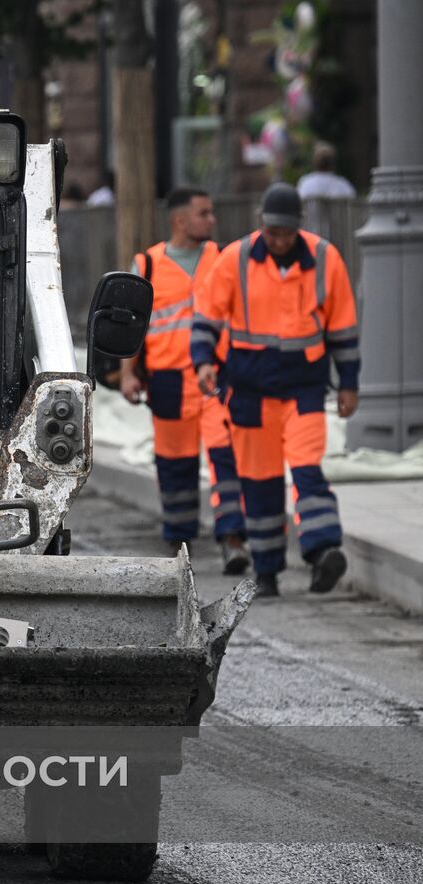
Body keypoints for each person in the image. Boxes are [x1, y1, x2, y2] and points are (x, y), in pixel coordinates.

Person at [190, 183, 359, 598]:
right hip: (249, 392)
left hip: (303, 390)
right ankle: (266, 571)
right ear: (262, 225)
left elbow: (343, 328)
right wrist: (205, 362)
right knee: (259, 481)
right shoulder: (237, 259)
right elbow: (207, 315)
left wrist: (349, 383)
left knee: (306, 469)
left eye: (285, 233)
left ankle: (323, 552)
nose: (279, 240)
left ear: (298, 228)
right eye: (272, 232)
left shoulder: (324, 259)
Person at [121, 188, 248, 573]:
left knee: (226, 458)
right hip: (169, 380)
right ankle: (180, 543)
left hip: (215, 379)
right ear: (180, 220)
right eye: (204, 214)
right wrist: (128, 373)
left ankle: (233, 538)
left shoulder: (222, 258)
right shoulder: (148, 264)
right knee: (175, 465)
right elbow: (131, 325)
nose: (212, 220)